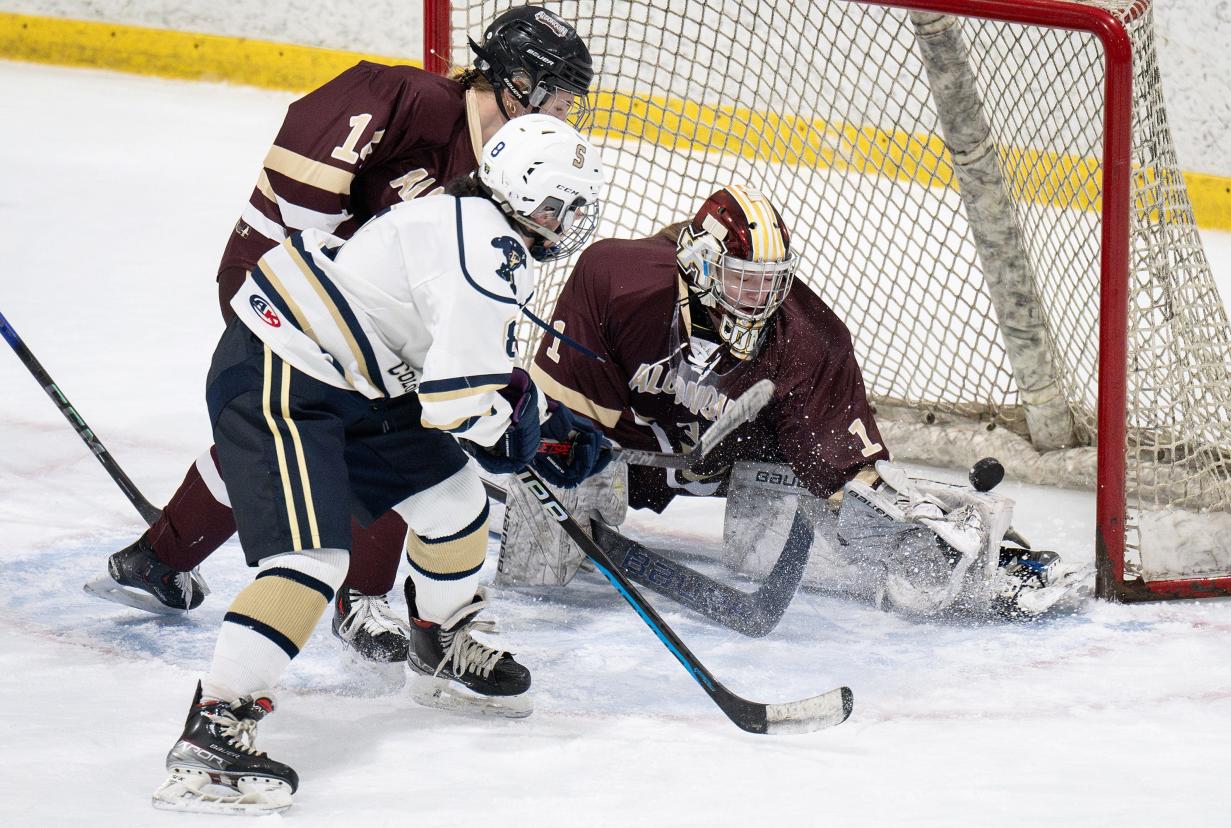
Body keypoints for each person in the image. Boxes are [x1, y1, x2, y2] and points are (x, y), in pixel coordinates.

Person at [85, 5, 596, 666]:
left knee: (300, 435)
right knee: (370, 427)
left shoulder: (506, 165)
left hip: (350, 315)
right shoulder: (403, 98)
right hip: (281, 279)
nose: (562, 111)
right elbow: (302, 196)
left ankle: (156, 556)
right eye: (557, 94)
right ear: (517, 81)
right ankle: (360, 596)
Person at [150, 114, 609, 816]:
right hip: (286, 369)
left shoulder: (467, 214)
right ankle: (215, 727)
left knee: (455, 503)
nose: (567, 219)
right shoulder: (489, 252)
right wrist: (513, 439)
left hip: (356, 377)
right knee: (312, 563)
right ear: (520, 193)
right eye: (559, 204)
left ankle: (440, 643)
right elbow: (462, 406)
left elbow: (448, 360)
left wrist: (535, 424)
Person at [496, 184, 1070, 620]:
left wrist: (894, 523)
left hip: (738, 461)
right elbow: (563, 413)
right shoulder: (616, 280)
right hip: (622, 450)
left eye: (772, 281)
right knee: (539, 574)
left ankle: (974, 547)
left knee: (771, 549)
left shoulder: (809, 339)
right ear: (697, 264)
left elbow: (842, 469)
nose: (762, 298)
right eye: (744, 280)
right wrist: (568, 461)